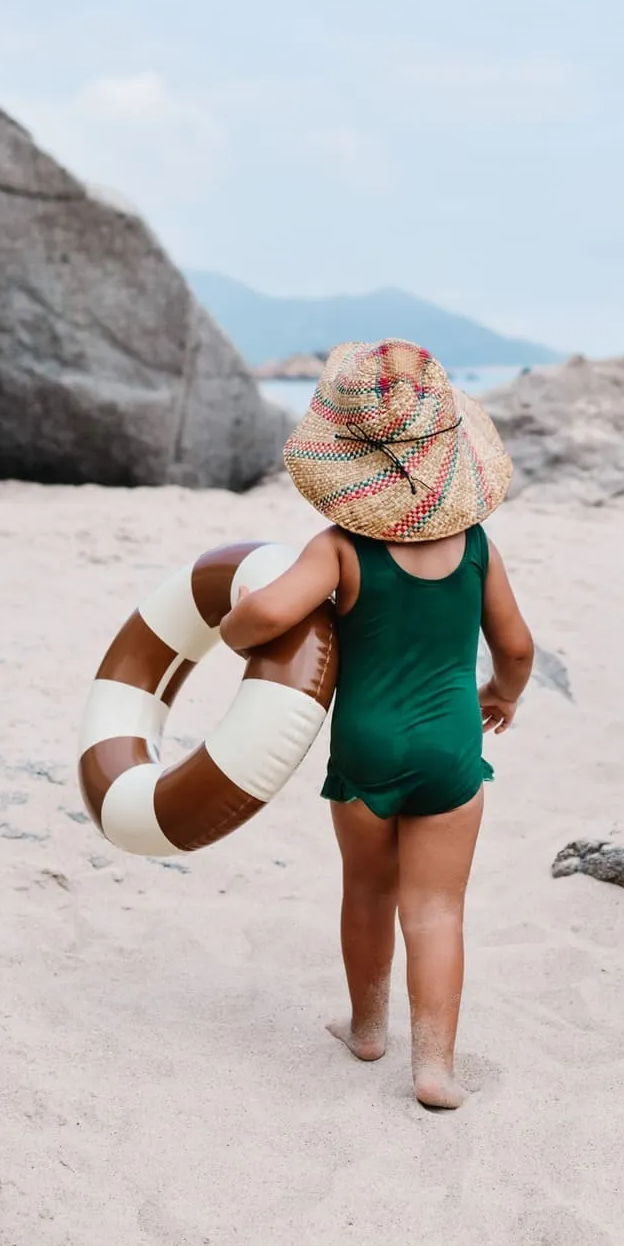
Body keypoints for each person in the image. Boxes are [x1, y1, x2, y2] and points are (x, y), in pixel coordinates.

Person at [221, 339, 534, 1109]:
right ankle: (434, 1067)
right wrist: (502, 694)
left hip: (365, 748)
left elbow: (265, 614)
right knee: (436, 908)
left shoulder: (339, 548)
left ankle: (367, 1029)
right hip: (452, 749)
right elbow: (519, 646)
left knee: (366, 891)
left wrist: (227, 632)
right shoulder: (475, 547)